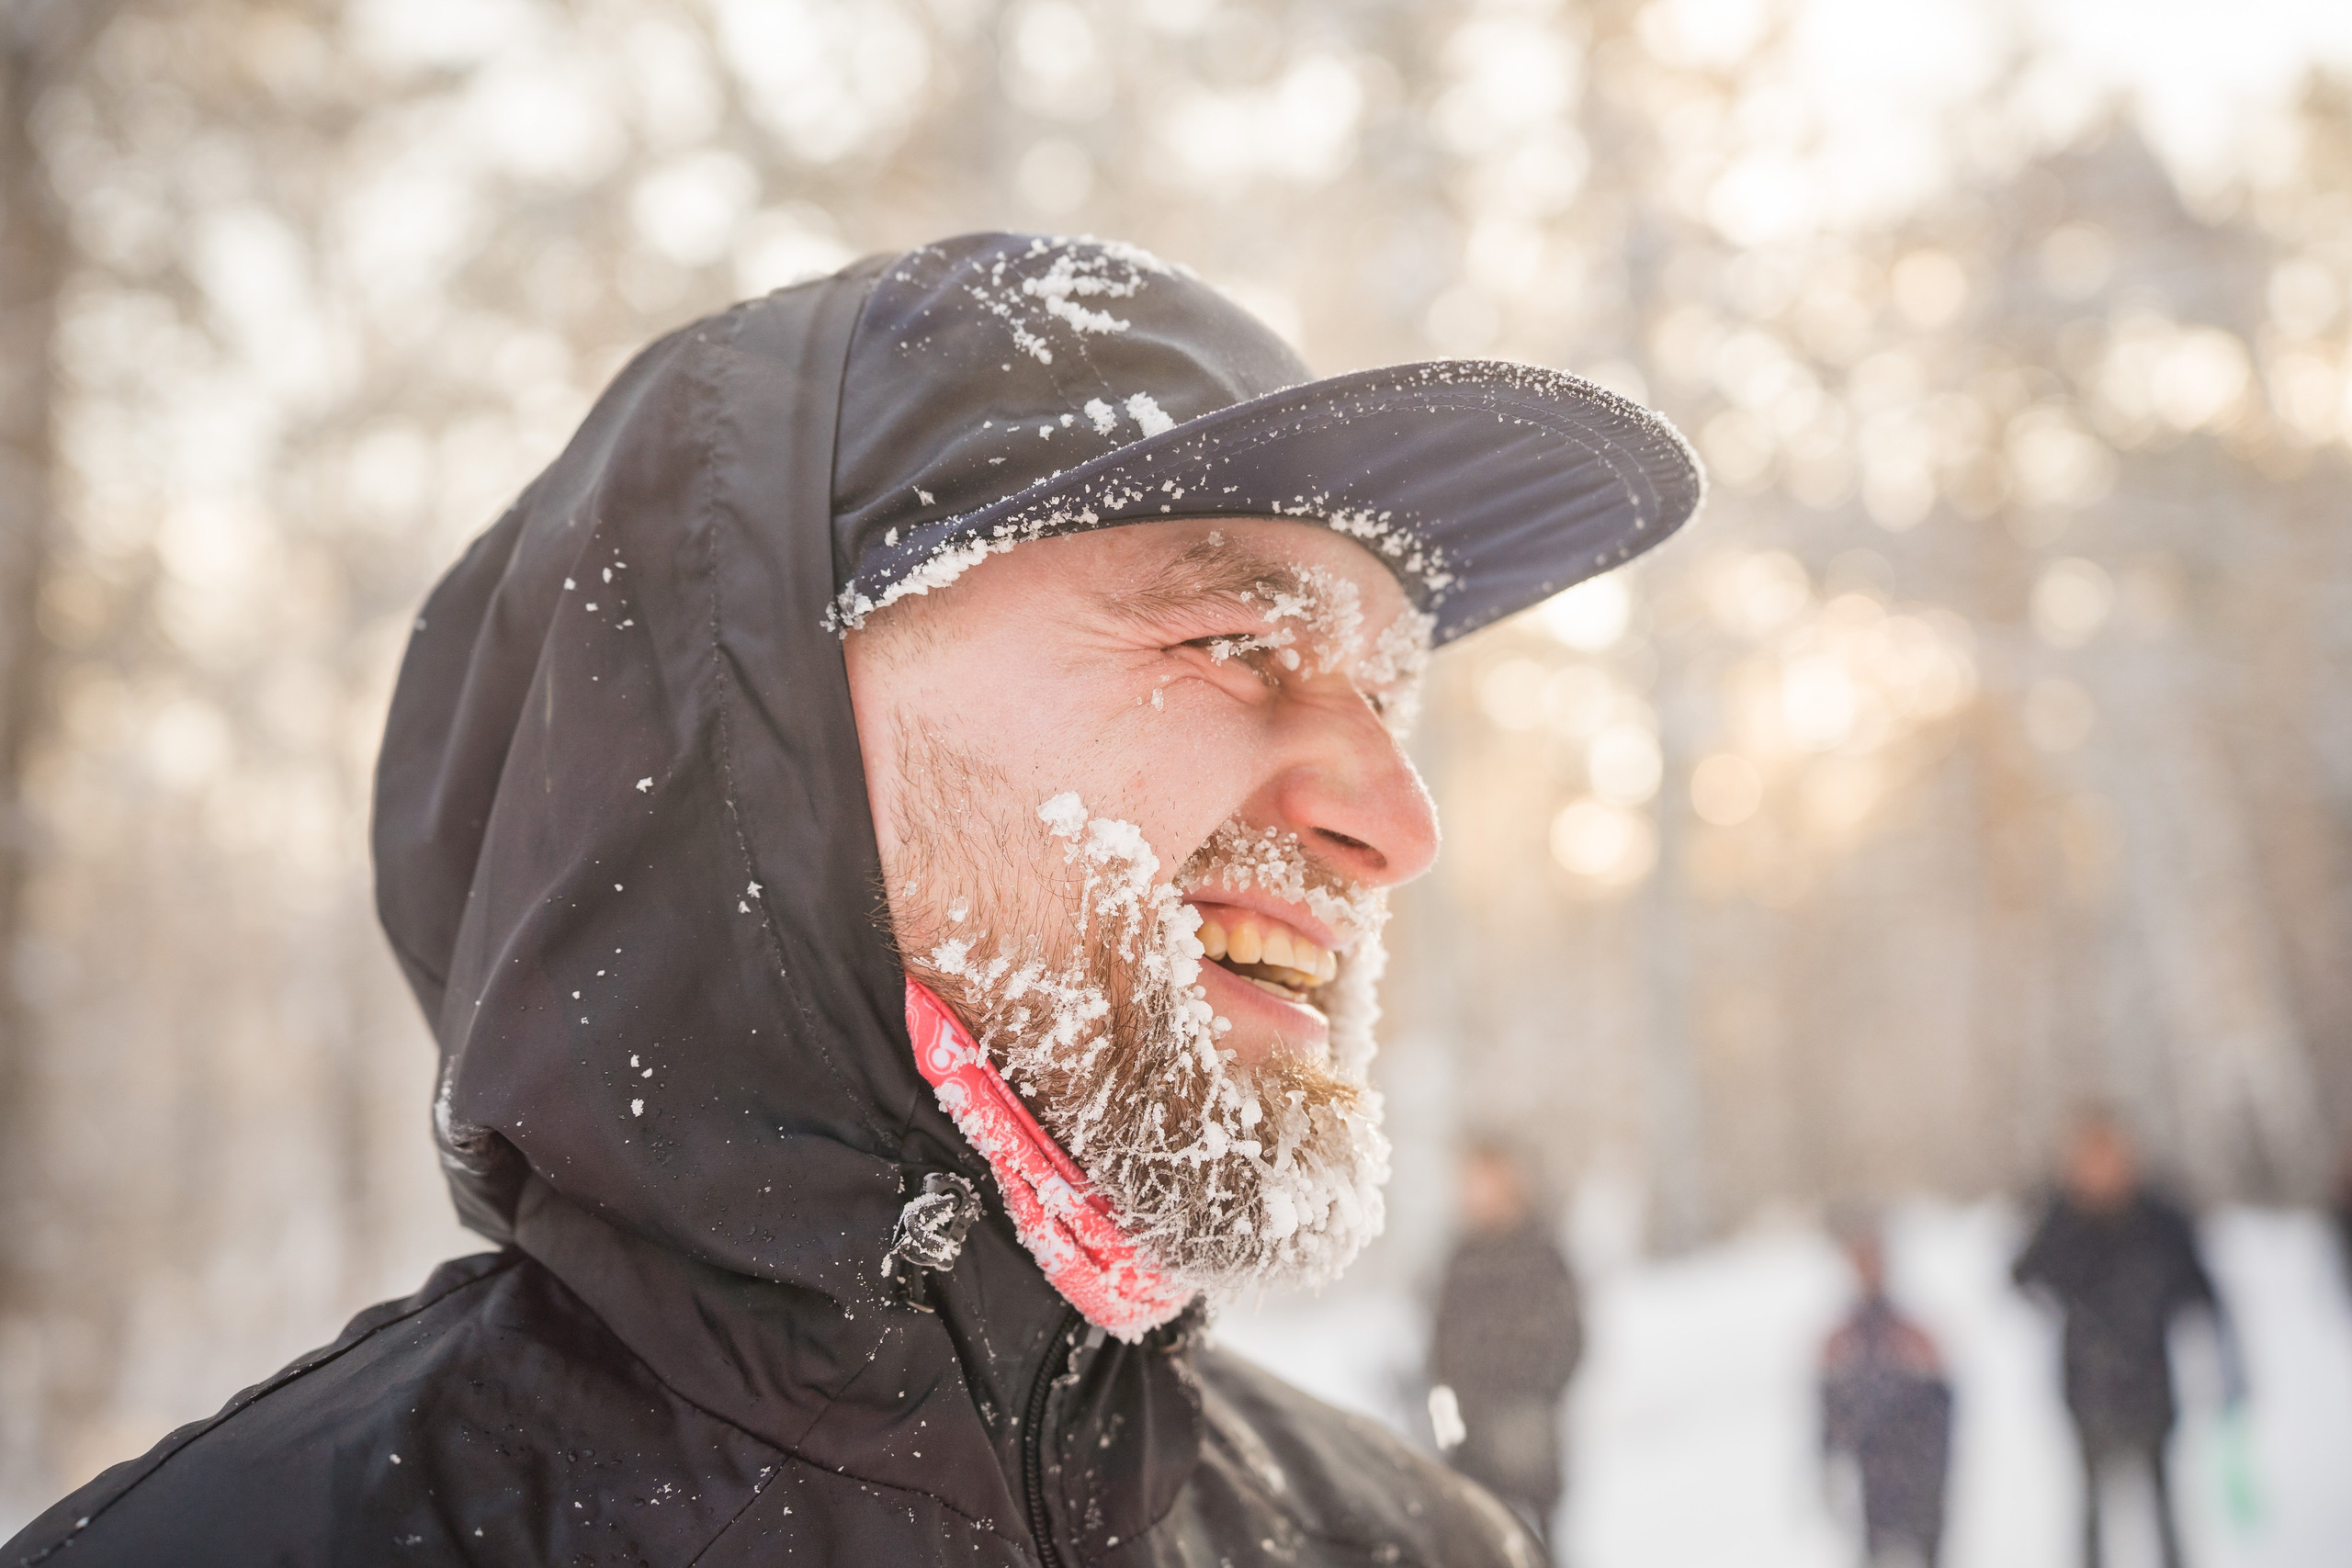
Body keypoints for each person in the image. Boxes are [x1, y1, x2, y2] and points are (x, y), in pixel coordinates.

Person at [4, 234, 1701, 1565]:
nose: (1395, 820)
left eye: (1387, 697)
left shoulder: (1407, 1547)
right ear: (754, 742)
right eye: (1236, 644)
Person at [2013, 1110, 2240, 1568]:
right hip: (2086, 1387)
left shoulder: (2158, 1218)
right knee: (2092, 1510)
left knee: (2163, 1506)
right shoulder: (2064, 1217)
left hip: (2150, 1384)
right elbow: (2022, 1276)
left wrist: (2225, 1362)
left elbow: (2200, 1289)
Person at [1427, 1140, 1585, 1553]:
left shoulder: (1540, 1252)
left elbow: (1571, 1339)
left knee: (1536, 1547)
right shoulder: (1461, 1256)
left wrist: (1532, 1401)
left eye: (1487, 1181)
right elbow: (1440, 1347)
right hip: (1470, 1445)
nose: (1478, 1193)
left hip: (1527, 1438)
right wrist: (1444, 1422)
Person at [1818, 1216, 1951, 1568]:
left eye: (1872, 1256)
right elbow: (1827, 1407)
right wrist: (1828, 1458)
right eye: (1858, 1258)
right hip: (1873, 1468)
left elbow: (1943, 1406)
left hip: (1916, 1465)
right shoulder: (1842, 1337)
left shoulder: (1913, 1332)